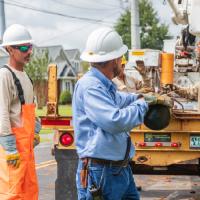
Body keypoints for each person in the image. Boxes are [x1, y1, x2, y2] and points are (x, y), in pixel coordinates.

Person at [72, 27, 148, 200]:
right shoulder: (91, 87)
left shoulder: (104, 85)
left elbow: (120, 99)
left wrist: (140, 96)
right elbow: (115, 121)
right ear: (113, 59)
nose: (122, 61)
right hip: (101, 173)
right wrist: (142, 106)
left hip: (117, 169)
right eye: (120, 57)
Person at [0, 24, 40, 199]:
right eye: (23, 48)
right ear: (9, 49)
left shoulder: (25, 76)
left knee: (30, 192)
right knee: (13, 193)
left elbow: (32, 108)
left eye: (29, 47)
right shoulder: (5, 76)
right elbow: (2, 112)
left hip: (27, 150)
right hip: (13, 150)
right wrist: (10, 149)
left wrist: (36, 131)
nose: (28, 52)